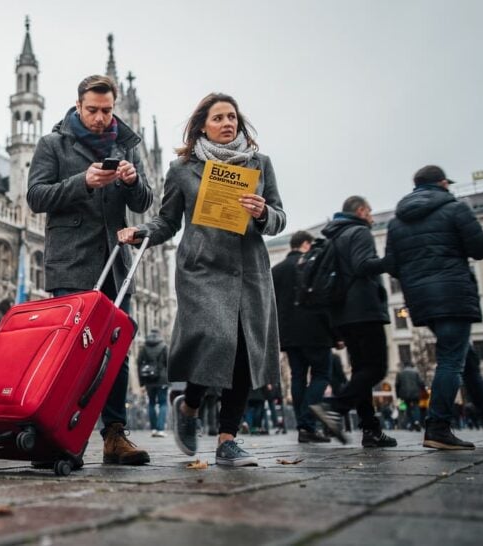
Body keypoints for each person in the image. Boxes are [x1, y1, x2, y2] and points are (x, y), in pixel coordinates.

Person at [119, 92, 286, 467]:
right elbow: (167, 220)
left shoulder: (260, 164)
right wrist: (140, 233)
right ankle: (190, 404)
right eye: (219, 118)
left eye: (233, 117)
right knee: (215, 339)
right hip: (203, 269)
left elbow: (279, 217)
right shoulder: (183, 170)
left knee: (243, 349)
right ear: (202, 126)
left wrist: (263, 213)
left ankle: (228, 438)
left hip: (249, 271)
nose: (228, 123)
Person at [26, 74, 154, 465]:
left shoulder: (125, 145)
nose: (100, 118)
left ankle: (114, 436)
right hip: (71, 262)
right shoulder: (52, 144)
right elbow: (36, 196)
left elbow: (145, 200)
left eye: (107, 111)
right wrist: (82, 181)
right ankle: (59, 435)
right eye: (93, 110)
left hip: (115, 266)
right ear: (79, 106)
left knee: (116, 353)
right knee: (70, 354)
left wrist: (132, 182)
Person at [385, 165, 483, 449]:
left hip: (421, 300)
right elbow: (481, 248)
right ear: (443, 182)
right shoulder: (456, 208)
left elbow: (392, 265)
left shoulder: (396, 222)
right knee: (451, 359)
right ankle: (437, 426)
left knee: (467, 359)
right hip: (453, 293)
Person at [309, 196, 397, 448]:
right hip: (364, 310)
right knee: (376, 368)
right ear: (360, 211)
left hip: (342, 313)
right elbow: (362, 266)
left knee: (361, 371)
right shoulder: (359, 232)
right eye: (369, 210)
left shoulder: (333, 236)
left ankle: (371, 429)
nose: (371, 215)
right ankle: (335, 407)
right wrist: (389, 262)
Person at [271, 230, 332, 443]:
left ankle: (303, 426)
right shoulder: (313, 264)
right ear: (306, 244)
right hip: (315, 330)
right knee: (321, 374)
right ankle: (307, 422)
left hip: (288, 332)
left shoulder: (276, 270)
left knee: (298, 376)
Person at [138, 328, 169, 437]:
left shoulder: (144, 347)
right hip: (162, 380)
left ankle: (154, 429)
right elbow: (168, 364)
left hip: (149, 380)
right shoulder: (164, 346)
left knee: (151, 403)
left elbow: (139, 364)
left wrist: (142, 382)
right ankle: (160, 429)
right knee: (163, 403)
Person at [395, 362, 426, 431]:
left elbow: (397, 385)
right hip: (415, 393)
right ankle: (417, 421)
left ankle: (412, 424)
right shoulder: (415, 372)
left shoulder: (400, 373)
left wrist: (398, 395)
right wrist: (423, 391)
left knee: (408, 408)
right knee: (416, 407)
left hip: (404, 394)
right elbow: (421, 383)